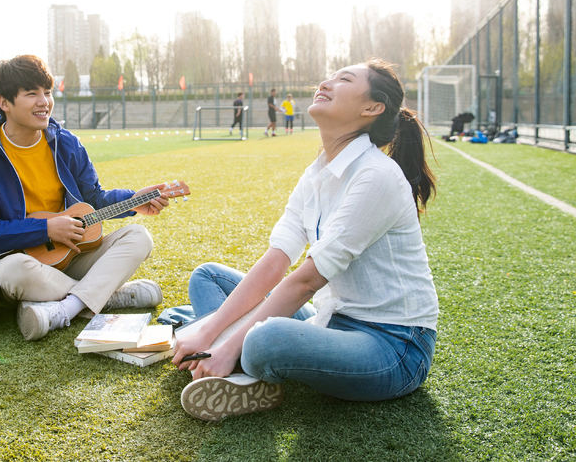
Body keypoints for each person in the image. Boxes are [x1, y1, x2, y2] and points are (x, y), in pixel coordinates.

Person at [173, 59, 438, 421]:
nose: (325, 83)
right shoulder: (316, 173)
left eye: (344, 79)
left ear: (372, 108)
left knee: (266, 340)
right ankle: (222, 354)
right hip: (331, 319)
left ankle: (231, 359)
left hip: (393, 345)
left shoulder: (377, 175)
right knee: (208, 277)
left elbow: (306, 282)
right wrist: (209, 332)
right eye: (330, 77)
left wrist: (227, 343)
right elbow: (276, 260)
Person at [0, 55, 170, 341]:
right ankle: (108, 296)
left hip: (69, 254)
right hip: (17, 261)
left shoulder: (66, 143)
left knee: (138, 237)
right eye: (31, 94)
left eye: (47, 92)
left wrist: (134, 200)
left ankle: (65, 306)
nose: (44, 102)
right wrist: (45, 229)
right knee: (14, 271)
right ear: (4, 103)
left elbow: (92, 198)